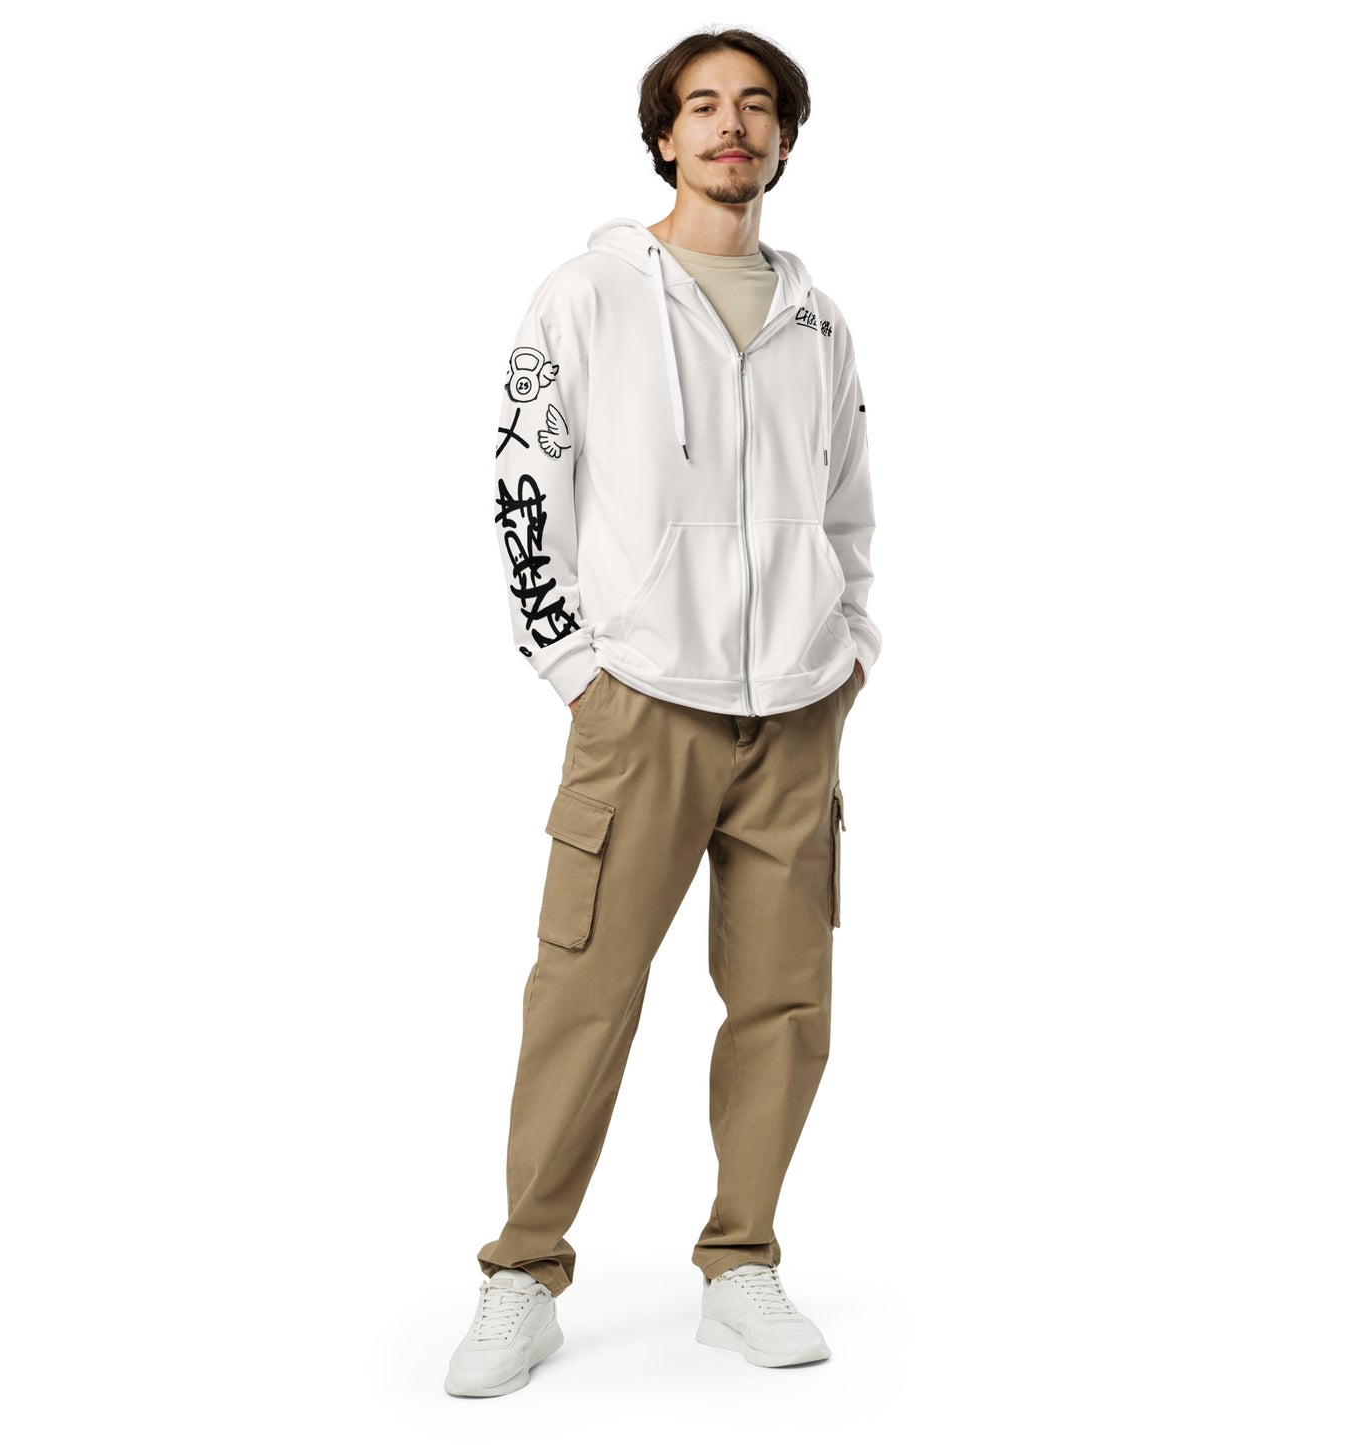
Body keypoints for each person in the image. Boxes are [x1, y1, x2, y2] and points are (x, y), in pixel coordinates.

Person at [448, 26, 883, 1397]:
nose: (729, 127)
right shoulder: (587, 295)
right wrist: (576, 669)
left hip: (797, 712)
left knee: (784, 1001)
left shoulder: (819, 320)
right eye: (702, 106)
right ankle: (522, 1274)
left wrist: (849, 648)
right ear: (663, 137)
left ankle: (740, 1260)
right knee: (583, 992)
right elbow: (523, 486)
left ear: (785, 139)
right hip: (639, 706)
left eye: (756, 107)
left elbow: (848, 507)